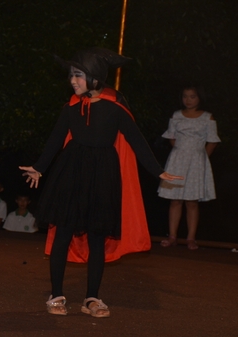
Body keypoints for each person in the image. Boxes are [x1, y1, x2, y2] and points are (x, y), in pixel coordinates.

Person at [19, 47, 183, 318]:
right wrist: (38, 167)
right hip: (71, 172)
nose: (73, 80)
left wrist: (158, 171)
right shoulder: (71, 107)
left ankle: (92, 298)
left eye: (78, 75)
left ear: (95, 77)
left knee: (97, 237)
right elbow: (55, 140)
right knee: (63, 232)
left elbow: (137, 140)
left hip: (103, 174)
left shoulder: (115, 108)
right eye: (71, 75)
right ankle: (56, 294)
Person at [157, 85, 220, 250]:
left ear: (199, 98)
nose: (188, 100)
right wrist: (180, 153)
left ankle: (191, 238)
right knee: (175, 200)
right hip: (178, 159)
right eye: (185, 96)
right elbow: (171, 137)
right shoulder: (176, 115)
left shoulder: (207, 117)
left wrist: (201, 157)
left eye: (192, 96)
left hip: (197, 161)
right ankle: (172, 236)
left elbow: (212, 141)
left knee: (192, 202)